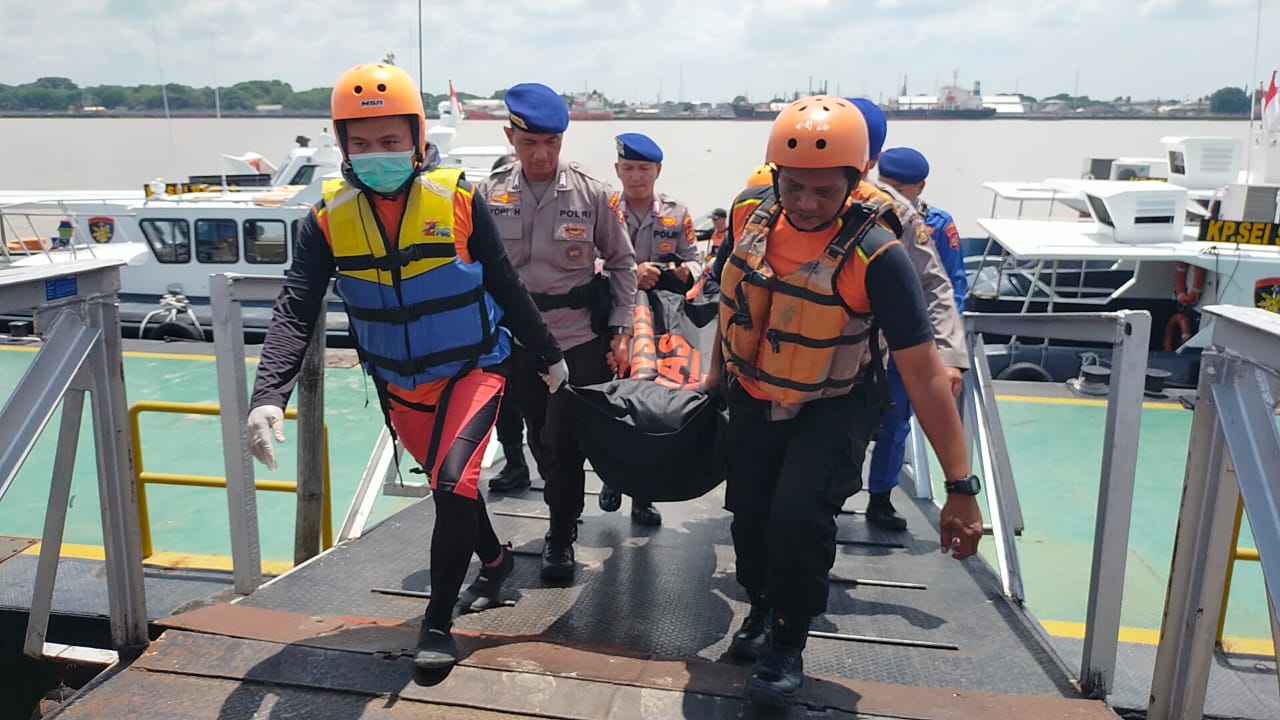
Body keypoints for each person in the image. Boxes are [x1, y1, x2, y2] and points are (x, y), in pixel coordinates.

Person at [244, 64, 566, 671]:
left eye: (391, 142)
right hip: (399, 385)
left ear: (418, 139)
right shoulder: (324, 222)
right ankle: (495, 564)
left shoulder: (462, 201)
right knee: (457, 488)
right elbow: (294, 308)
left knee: (451, 483)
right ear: (341, 147)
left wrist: (548, 355)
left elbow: (506, 285)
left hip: (474, 368)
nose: (377, 155)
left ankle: (438, 625)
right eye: (360, 144)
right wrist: (268, 395)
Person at [703, 96, 983, 706]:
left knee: (799, 515)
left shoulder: (877, 255)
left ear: (854, 184)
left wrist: (961, 486)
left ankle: (787, 640)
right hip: (755, 390)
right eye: (793, 186)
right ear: (774, 177)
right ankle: (760, 606)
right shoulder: (749, 218)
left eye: (824, 192)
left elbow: (922, 370)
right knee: (749, 514)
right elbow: (733, 306)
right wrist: (711, 383)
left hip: (836, 397)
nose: (804, 203)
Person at [477, 83, 637, 583]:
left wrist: (622, 328)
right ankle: (560, 505)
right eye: (529, 144)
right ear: (510, 136)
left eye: (551, 143)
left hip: (574, 339)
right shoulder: (489, 192)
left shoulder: (592, 193)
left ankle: (560, 537)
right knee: (536, 439)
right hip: (516, 340)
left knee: (563, 439)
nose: (541, 155)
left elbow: (623, 263)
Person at [850, 98, 969, 531]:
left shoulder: (924, 222)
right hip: (852, 335)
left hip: (904, 338)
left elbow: (945, 285)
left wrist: (948, 353)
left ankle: (879, 496)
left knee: (896, 421)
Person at [594, 132, 701, 527]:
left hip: (658, 324)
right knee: (613, 399)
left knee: (648, 403)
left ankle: (642, 495)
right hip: (613, 321)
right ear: (617, 170)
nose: (636, 177)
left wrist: (676, 270)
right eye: (628, 169)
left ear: (657, 171)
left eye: (643, 169)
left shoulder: (676, 212)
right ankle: (611, 477)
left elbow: (697, 263)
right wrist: (626, 272)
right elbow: (580, 261)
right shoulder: (601, 207)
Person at [486, 151, 534, 493]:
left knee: (544, 406)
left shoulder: (542, 214)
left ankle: (557, 477)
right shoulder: (480, 221)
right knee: (504, 401)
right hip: (497, 325)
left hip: (542, 323)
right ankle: (515, 464)